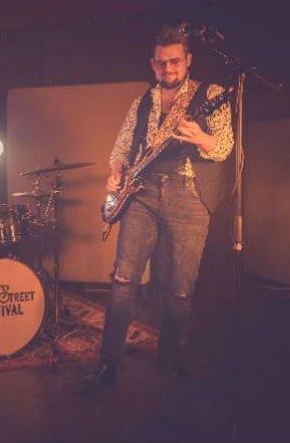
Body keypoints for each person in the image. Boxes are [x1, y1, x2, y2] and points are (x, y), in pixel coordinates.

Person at [84, 24, 234, 388]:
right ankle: (108, 362)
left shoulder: (211, 94)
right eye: (161, 62)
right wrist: (116, 173)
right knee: (123, 280)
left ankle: (171, 357)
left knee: (181, 288)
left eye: (175, 61)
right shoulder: (143, 102)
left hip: (189, 195)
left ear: (188, 60)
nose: (168, 68)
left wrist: (202, 138)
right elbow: (122, 147)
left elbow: (225, 147)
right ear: (152, 64)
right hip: (141, 194)